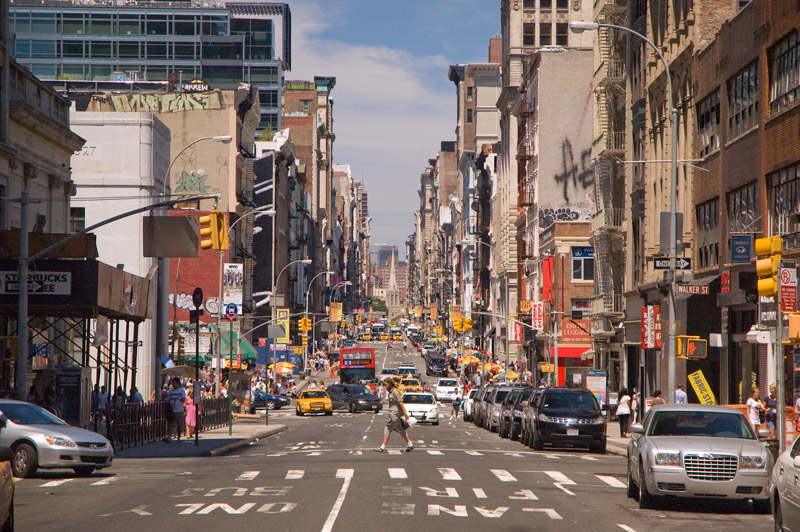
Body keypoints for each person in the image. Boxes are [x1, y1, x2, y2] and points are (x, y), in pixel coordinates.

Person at [374, 378, 414, 453]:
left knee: (387, 428)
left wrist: (405, 413)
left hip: (394, 413)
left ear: (389, 383)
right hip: (395, 414)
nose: (385, 386)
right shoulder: (391, 391)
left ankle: (382, 447)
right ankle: (410, 444)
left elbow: (401, 401)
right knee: (400, 429)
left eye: (386, 384)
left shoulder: (395, 391)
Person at [166, 377, 187, 443]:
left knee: (179, 425)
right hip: (172, 410)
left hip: (179, 410)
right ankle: (169, 437)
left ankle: (178, 437)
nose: (173, 384)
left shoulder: (181, 390)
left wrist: (178, 399)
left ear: (177, 383)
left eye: (174, 383)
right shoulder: (171, 391)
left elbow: (184, 399)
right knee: (170, 424)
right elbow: (168, 399)